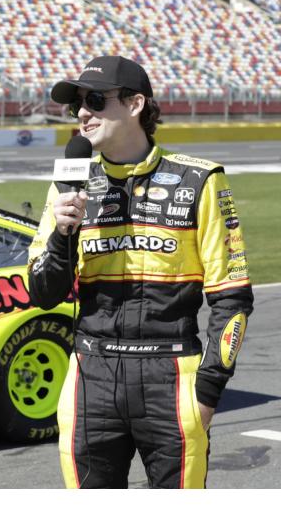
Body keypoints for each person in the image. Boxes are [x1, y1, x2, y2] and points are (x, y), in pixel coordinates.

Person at [28, 55, 253, 489]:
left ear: (135, 105)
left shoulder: (200, 182)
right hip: (90, 374)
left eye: (95, 100)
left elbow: (233, 298)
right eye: (76, 104)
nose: (82, 114)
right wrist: (61, 233)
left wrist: (207, 392)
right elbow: (42, 292)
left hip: (172, 376)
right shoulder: (68, 184)